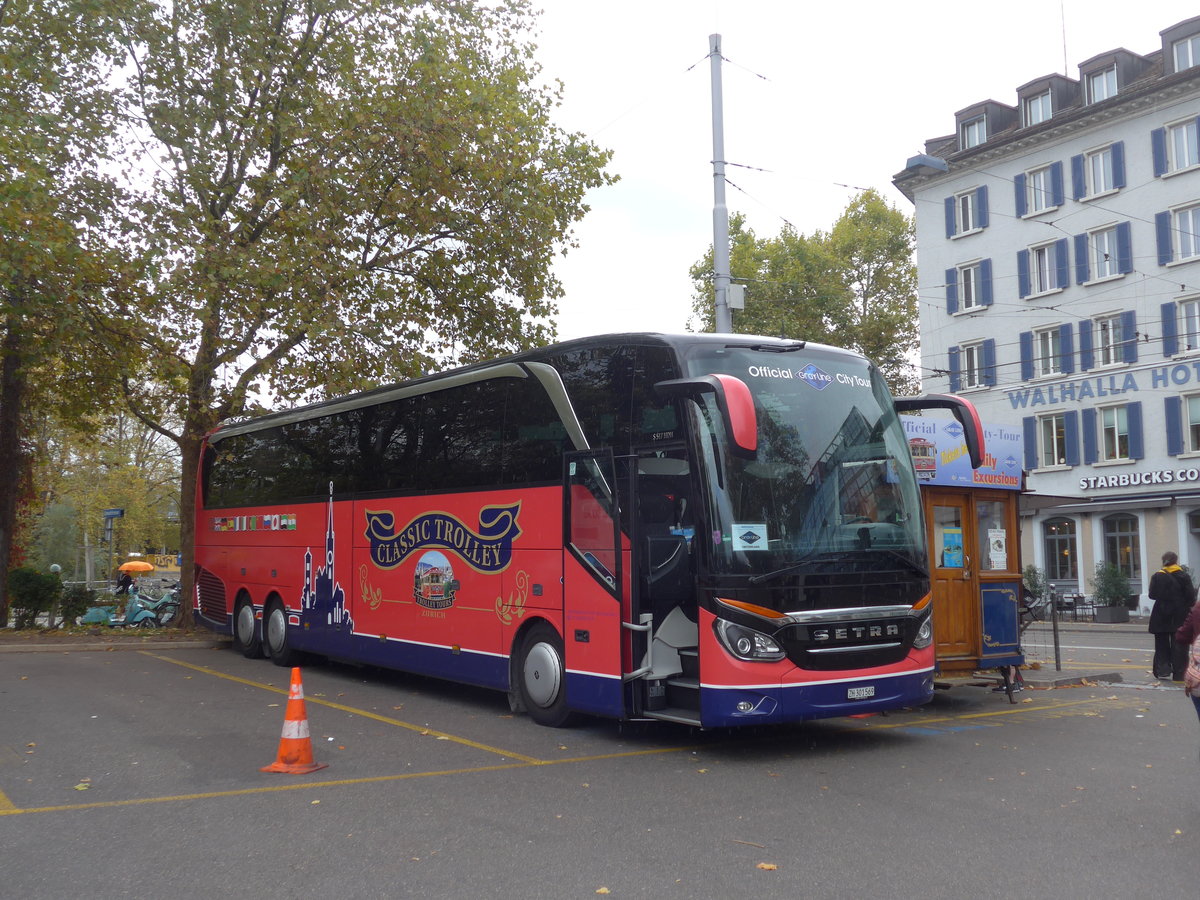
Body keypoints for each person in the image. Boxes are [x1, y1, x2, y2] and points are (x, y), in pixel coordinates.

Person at [1148, 551, 1196, 680]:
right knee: (1179, 645)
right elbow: (1191, 598)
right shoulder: (1184, 576)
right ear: (1176, 561)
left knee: (1161, 644)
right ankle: (1179, 674)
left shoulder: (1157, 576)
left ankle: (1162, 670)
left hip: (1160, 615)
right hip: (1179, 615)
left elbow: (1151, 595)